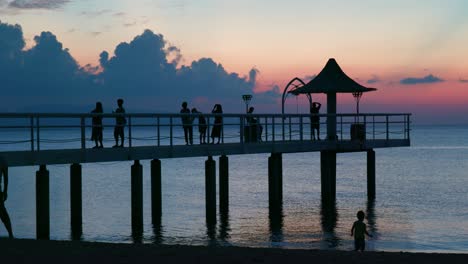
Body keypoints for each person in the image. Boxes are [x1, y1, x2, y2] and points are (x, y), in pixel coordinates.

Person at [0, 156, 13, 239]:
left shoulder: (3, 161)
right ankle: (10, 234)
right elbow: (6, 179)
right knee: (3, 214)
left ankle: (11, 234)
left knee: (3, 213)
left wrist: (5, 191)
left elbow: (6, 178)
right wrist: (5, 191)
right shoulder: (3, 161)